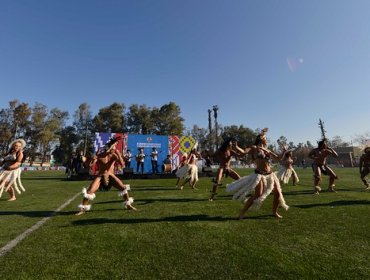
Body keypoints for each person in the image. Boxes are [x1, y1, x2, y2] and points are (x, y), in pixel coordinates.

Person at [226, 129, 289, 219]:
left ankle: (274, 212)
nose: (266, 138)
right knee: (258, 195)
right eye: (264, 137)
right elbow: (244, 152)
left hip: (270, 174)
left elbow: (278, 158)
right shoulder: (254, 148)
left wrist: (283, 152)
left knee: (278, 193)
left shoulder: (267, 150)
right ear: (260, 138)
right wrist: (236, 147)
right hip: (259, 175)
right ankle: (242, 212)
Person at [75, 137, 136, 215]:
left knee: (123, 187)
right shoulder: (101, 155)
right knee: (90, 191)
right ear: (110, 147)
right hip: (101, 176)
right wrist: (90, 160)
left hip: (111, 176)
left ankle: (128, 205)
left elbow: (122, 164)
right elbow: (90, 165)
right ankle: (82, 208)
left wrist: (118, 155)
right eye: (114, 146)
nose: (115, 148)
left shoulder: (114, 155)